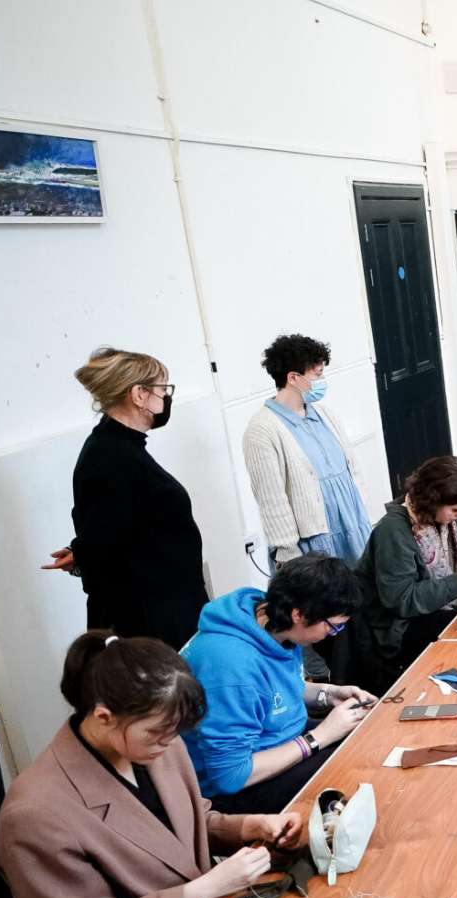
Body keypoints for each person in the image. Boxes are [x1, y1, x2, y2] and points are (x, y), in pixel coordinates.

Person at [0, 632, 303, 898]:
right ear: (103, 717)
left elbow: (184, 824)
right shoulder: (36, 815)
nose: (170, 742)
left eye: (174, 731)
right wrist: (202, 889)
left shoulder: (156, 745)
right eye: (159, 732)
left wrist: (249, 826)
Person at [180, 555, 378, 815]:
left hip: (281, 742)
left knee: (368, 737)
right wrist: (320, 737)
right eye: (333, 627)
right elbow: (230, 776)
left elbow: (273, 693)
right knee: (355, 772)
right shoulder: (229, 668)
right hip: (234, 789)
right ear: (299, 614)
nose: (332, 635)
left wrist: (328, 694)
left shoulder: (270, 621)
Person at [45, 347, 207, 649]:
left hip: (167, 611)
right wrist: (85, 552)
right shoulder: (110, 456)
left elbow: (122, 521)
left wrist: (81, 550)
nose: (166, 398)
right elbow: (105, 542)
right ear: (138, 395)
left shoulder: (120, 449)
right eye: (162, 389)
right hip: (152, 625)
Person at [350, 457, 457, 691]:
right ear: (433, 501)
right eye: (456, 510)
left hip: (431, 612)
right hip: (397, 630)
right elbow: (401, 600)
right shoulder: (393, 533)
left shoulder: (443, 519)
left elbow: (454, 565)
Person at [241, 333, 373, 569]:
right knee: (328, 602)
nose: (323, 380)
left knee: (362, 597)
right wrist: (289, 555)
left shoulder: (325, 414)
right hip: (314, 543)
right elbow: (272, 500)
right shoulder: (262, 430)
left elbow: (352, 470)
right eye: (318, 374)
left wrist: (365, 517)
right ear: (293, 378)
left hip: (353, 527)